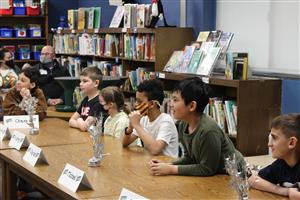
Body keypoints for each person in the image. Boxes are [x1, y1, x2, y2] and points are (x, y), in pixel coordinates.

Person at [149, 77, 244, 176]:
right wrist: (168, 165)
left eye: (175, 100)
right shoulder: (183, 124)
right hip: (214, 175)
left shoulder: (208, 131)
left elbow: (207, 169)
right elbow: (190, 159)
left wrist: (171, 169)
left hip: (234, 176)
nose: (170, 104)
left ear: (192, 106)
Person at [248, 114, 300, 199]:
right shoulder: (280, 164)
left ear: (292, 143)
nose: (269, 144)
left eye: (274, 138)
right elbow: (253, 180)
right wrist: (285, 191)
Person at [122, 79, 178, 158]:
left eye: (139, 101)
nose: (135, 105)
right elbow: (125, 143)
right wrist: (130, 128)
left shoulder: (166, 121)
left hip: (166, 166)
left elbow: (155, 149)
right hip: (151, 164)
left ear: (152, 104)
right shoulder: (144, 119)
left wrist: (137, 125)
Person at [69, 67, 106, 132]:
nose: (80, 84)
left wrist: (79, 119)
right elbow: (71, 121)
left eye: (85, 81)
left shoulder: (99, 101)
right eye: (80, 81)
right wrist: (80, 124)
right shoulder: (86, 99)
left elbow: (85, 127)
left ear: (96, 83)